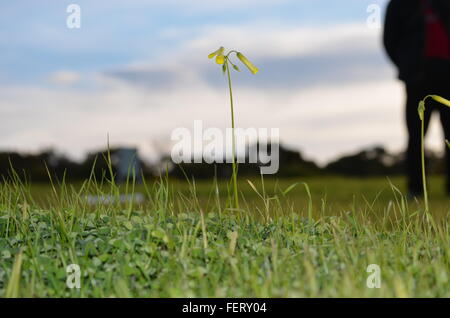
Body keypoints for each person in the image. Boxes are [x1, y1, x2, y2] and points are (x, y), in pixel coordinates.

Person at [384, 0, 450, 197]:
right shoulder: (399, 5)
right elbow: (390, 40)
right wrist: (407, 67)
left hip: (447, 75)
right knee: (416, 135)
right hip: (417, 78)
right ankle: (416, 188)